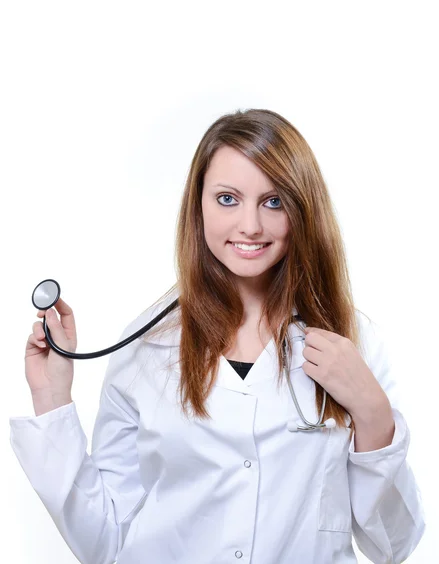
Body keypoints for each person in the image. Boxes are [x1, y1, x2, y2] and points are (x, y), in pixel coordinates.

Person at [10, 109, 425, 563]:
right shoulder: (147, 347)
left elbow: (393, 546)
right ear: (199, 205)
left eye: (273, 201)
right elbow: (107, 543)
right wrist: (52, 400)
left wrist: (371, 413)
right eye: (228, 199)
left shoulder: (352, 341)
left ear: (302, 209)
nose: (250, 225)